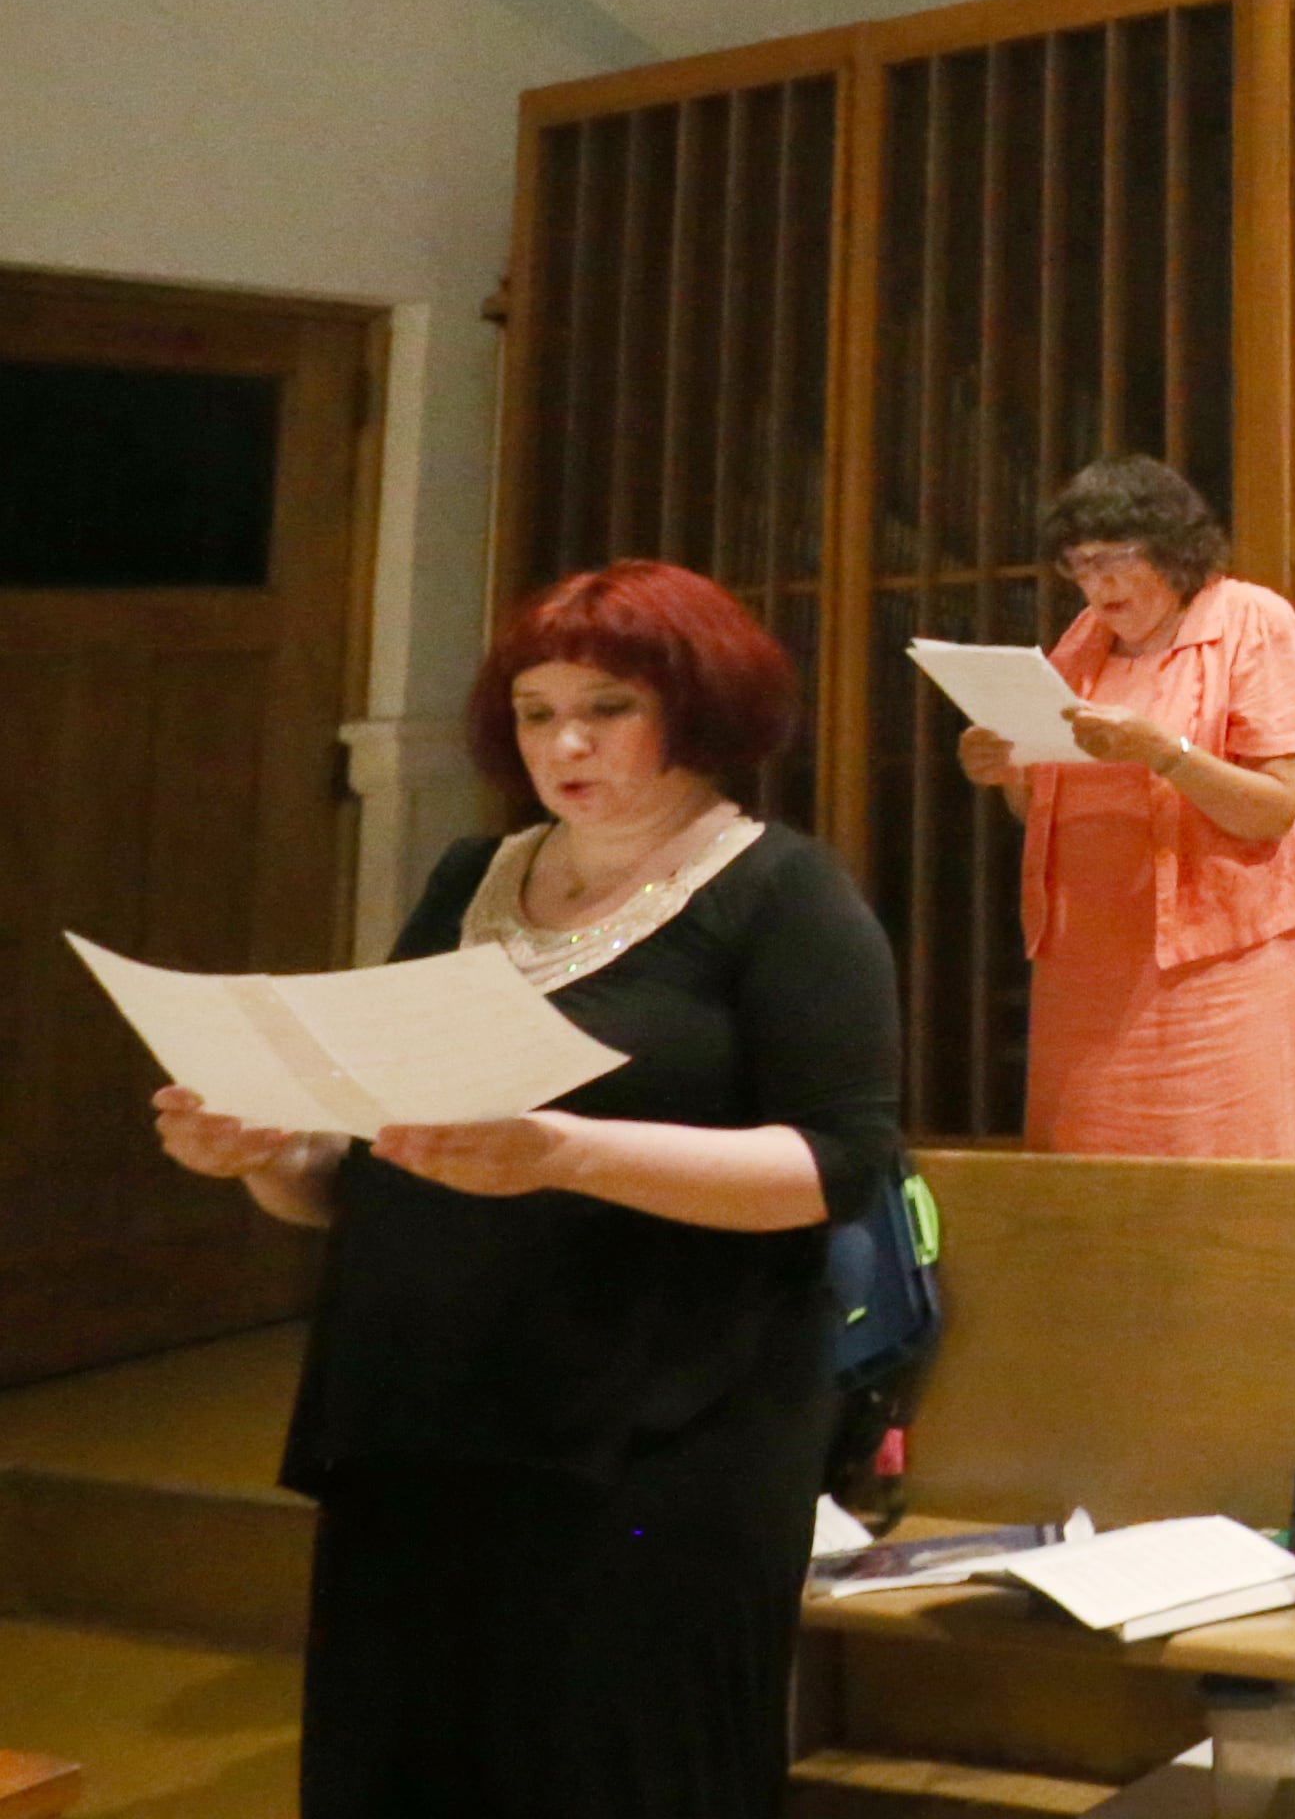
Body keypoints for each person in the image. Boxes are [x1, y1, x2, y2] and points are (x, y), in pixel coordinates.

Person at [151, 559, 902, 1819]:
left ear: (700, 708)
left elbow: (837, 1169)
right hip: (424, 1410)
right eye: (536, 711)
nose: (565, 741)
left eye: (606, 707)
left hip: (659, 1431)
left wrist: (565, 1151)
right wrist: (270, 1155)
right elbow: (368, 1169)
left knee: (609, 1771)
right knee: (408, 1764)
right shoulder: (468, 880)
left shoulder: (783, 892)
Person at [957, 457, 1295, 1158]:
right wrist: (1010, 774)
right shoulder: (1082, 641)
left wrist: (1166, 753)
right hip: (1082, 963)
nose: (1097, 584)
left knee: (1218, 1169)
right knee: (1090, 1186)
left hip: (1213, 965)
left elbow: (1274, 809)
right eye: (1079, 564)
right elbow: (1052, 803)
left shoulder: (1253, 621)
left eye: (1115, 560)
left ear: (1173, 548)